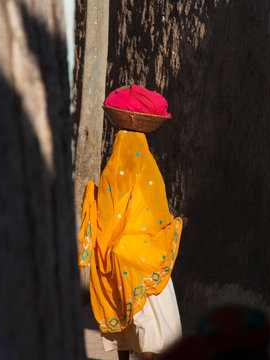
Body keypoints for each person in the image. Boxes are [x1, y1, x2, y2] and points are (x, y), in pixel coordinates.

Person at [78, 85, 187, 360]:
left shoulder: (115, 165)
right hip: (146, 255)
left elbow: (106, 207)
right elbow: (156, 212)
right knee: (150, 322)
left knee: (124, 316)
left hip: (117, 254)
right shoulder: (147, 165)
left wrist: (90, 195)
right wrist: (175, 223)